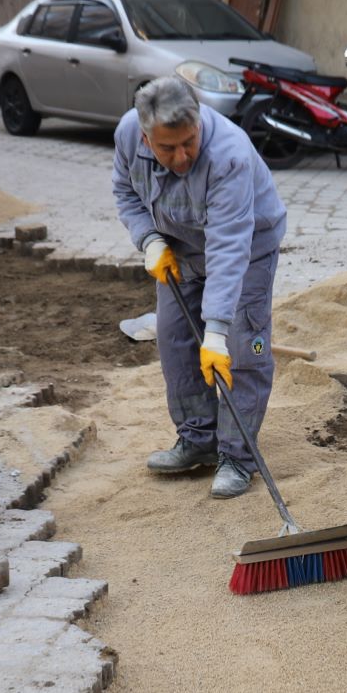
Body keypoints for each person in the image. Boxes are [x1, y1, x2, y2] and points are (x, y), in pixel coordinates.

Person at [111, 76, 286, 499]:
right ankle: (199, 439)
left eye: (189, 142)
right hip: (179, 249)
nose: (182, 155)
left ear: (198, 122)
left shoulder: (229, 155)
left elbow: (229, 248)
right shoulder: (126, 134)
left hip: (246, 252)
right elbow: (124, 192)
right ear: (146, 134)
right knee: (173, 341)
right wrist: (148, 238)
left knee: (245, 350)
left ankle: (238, 457)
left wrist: (218, 331)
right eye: (168, 148)